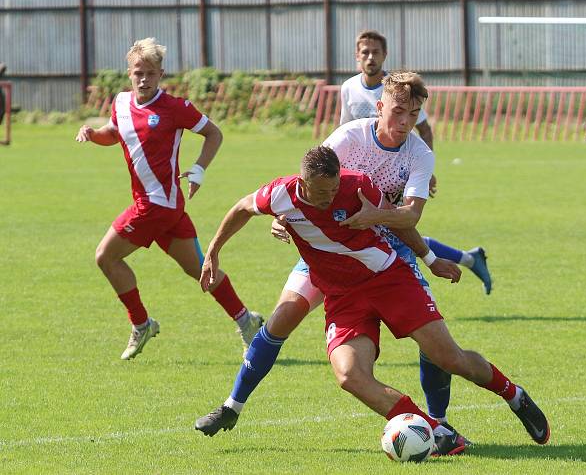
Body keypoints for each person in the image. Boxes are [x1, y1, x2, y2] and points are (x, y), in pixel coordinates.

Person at [194, 146, 550, 454]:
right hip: (342, 297)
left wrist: (429, 258)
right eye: (321, 193)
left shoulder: (356, 186)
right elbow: (242, 207)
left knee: (449, 358)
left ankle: (513, 394)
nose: (330, 197)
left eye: (334, 189)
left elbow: (400, 223)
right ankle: (438, 432)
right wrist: (213, 251)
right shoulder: (279, 195)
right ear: (302, 183)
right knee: (349, 375)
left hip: (389, 280)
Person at [75, 38, 262, 360]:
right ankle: (247, 321)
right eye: (138, 73)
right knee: (199, 270)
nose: (144, 79)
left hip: (155, 206)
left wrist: (200, 169)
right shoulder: (120, 103)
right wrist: (93, 135)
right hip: (166, 207)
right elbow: (114, 133)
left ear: (161, 74)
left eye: (150, 73)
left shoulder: (175, 108)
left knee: (105, 256)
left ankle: (141, 323)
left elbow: (213, 133)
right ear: (129, 74)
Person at [339, 30, 492, 294]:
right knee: (388, 231)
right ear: (357, 56)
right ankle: (467, 258)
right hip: (358, 176)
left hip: (392, 177)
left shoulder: (400, 92)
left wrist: (424, 171)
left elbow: (424, 129)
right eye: (365, 52)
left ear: (385, 55)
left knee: (395, 226)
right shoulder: (349, 88)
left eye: (376, 52)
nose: (370, 57)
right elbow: (342, 127)